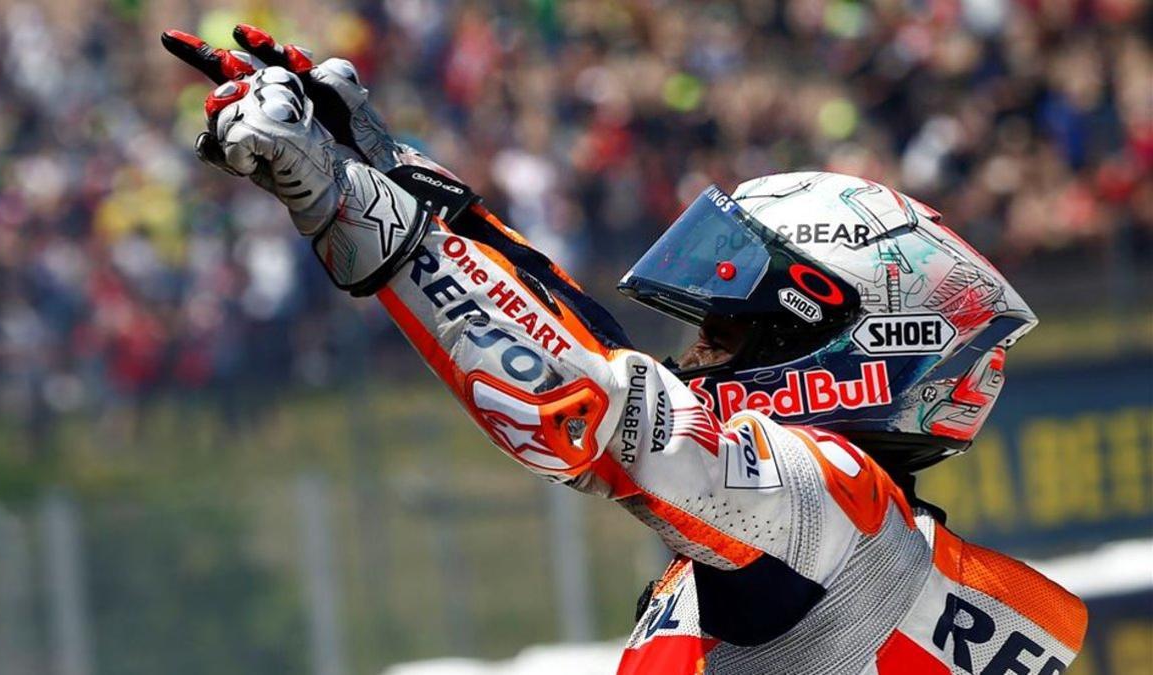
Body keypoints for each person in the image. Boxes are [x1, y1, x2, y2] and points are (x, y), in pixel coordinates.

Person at [162, 26, 1087, 674]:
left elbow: (594, 406)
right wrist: (394, 170)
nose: (693, 358)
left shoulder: (831, 506)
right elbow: (603, 359)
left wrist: (356, 212)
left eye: (725, 331)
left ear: (849, 343)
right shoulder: (862, 543)